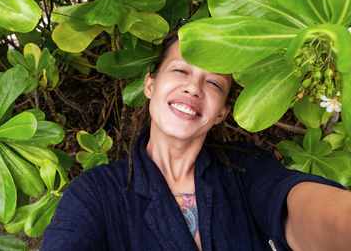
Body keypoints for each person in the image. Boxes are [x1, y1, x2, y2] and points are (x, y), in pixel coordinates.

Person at [41, 30, 351, 251]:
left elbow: (292, 206)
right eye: (180, 70)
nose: (194, 87)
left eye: (213, 83)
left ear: (222, 112)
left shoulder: (246, 170)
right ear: (150, 85)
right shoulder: (94, 193)